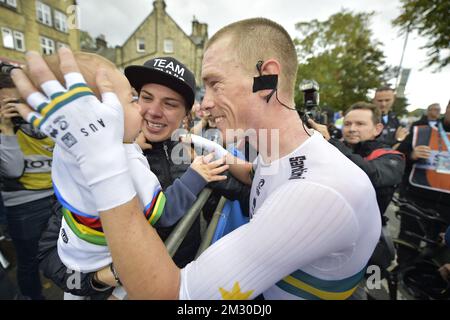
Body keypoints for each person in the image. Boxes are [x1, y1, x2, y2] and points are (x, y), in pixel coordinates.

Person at [12, 18, 381, 300]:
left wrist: (112, 166)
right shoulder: (274, 155)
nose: (205, 102)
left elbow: (177, 295)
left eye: (214, 84)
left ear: (266, 80)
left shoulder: (316, 190)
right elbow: (51, 256)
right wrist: (98, 281)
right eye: (140, 96)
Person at [35, 53, 229, 299]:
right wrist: (110, 276)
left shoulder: (193, 152)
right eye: (143, 98)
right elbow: (49, 257)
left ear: (186, 115)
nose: (153, 111)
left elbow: (243, 187)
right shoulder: (93, 159)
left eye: (170, 103)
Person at [0, 73, 55, 300]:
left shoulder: (46, 117)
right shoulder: (4, 128)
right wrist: (6, 128)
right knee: (29, 260)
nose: (15, 109)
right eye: (6, 103)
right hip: (24, 204)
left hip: (57, 197)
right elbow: (12, 169)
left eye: (19, 101)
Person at [309, 102, 405, 219]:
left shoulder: (392, 157)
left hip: (363, 228)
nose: (352, 129)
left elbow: (371, 175)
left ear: (377, 129)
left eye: (360, 124)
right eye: (347, 124)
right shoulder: (334, 146)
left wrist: (330, 142)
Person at [396, 100, 450, 266]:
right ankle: (401, 275)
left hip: (447, 207)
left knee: (439, 251)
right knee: (408, 243)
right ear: (447, 109)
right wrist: (412, 155)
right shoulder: (421, 130)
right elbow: (396, 157)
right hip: (417, 200)